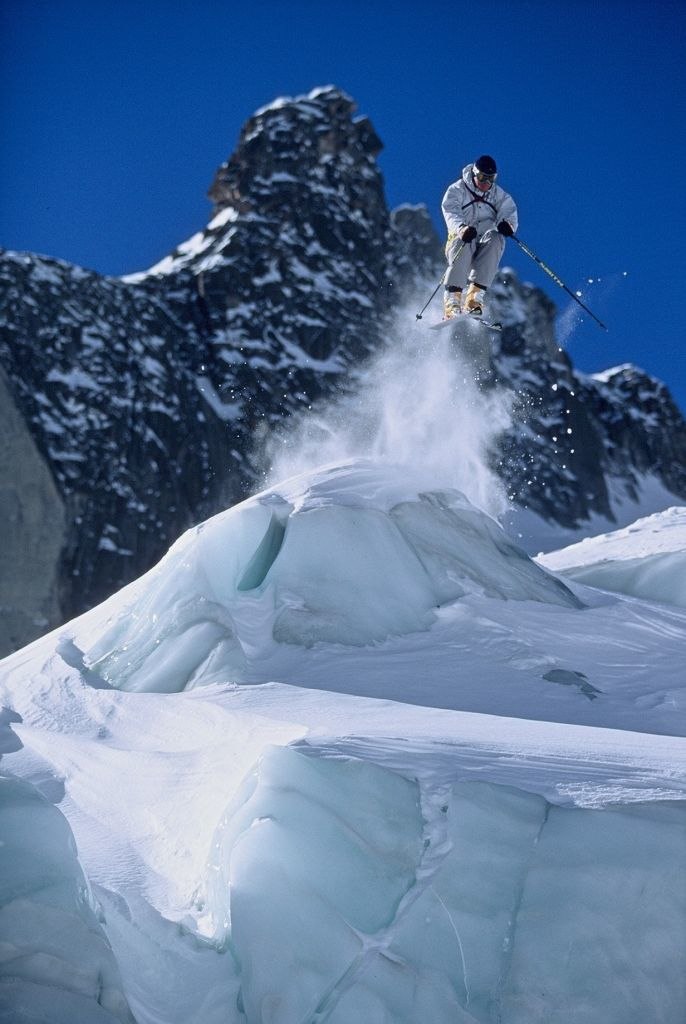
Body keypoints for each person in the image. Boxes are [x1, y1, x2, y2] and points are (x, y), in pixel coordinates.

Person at [441, 155, 518, 319]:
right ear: (474, 173)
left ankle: (473, 299)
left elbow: (508, 211)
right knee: (464, 241)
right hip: (462, 241)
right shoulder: (457, 189)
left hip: (483, 247)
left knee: (496, 238)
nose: (486, 183)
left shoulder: (498, 195)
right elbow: (451, 211)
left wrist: (508, 225)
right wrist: (462, 228)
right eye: (483, 177)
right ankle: (452, 301)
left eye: (491, 178)